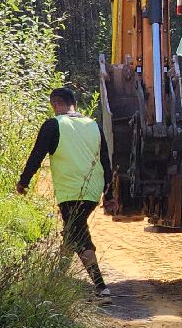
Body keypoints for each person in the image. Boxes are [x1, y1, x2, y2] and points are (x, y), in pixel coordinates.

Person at [16, 87, 113, 301]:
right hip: (92, 190)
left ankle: (101, 288)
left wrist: (24, 181)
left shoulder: (54, 125)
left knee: (79, 235)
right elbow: (106, 160)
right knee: (72, 235)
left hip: (69, 192)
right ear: (74, 103)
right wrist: (110, 192)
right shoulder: (93, 125)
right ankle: (55, 284)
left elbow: (36, 155)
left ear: (54, 104)